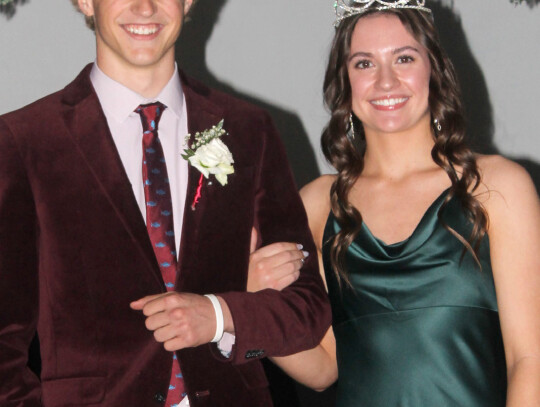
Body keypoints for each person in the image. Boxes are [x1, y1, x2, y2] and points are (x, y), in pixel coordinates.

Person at [0, 0, 332, 406]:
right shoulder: (24, 140)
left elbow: (308, 311)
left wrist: (218, 315)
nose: (145, 7)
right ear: (85, 2)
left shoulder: (249, 129)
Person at [249, 1, 540, 405]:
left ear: (434, 70)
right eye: (364, 64)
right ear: (345, 81)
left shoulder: (496, 186)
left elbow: (529, 359)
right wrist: (256, 305)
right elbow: (323, 368)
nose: (386, 82)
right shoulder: (317, 204)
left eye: (404, 58)